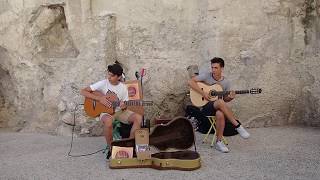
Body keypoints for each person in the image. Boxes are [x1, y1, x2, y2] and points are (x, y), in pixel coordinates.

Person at [81, 63, 142, 158]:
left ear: (118, 77)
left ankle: (129, 145)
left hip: (119, 112)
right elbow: (83, 91)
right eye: (108, 74)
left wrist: (123, 106)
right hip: (106, 112)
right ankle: (111, 147)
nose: (109, 77)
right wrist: (99, 99)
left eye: (112, 75)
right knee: (108, 122)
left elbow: (125, 105)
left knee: (138, 118)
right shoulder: (103, 83)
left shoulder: (123, 88)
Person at [188, 57, 250, 153]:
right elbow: (190, 82)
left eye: (216, 68)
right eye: (212, 67)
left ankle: (219, 142)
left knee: (220, 114)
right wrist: (204, 93)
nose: (213, 70)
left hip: (216, 107)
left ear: (222, 68)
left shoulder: (226, 82)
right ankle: (238, 126)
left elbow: (225, 99)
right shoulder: (206, 76)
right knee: (220, 103)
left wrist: (230, 97)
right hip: (204, 107)